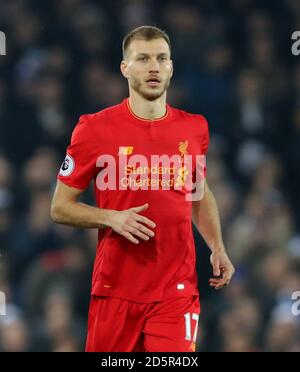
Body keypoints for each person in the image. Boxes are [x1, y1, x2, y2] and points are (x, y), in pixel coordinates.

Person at [50, 25, 235, 352]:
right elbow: (60, 207)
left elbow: (198, 193)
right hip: (116, 289)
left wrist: (217, 246)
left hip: (176, 291)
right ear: (125, 68)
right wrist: (111, 218)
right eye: (143, 59)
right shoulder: (93, 129)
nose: (154, 67)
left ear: (171, 67)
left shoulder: (194, 128)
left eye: (162, 59)